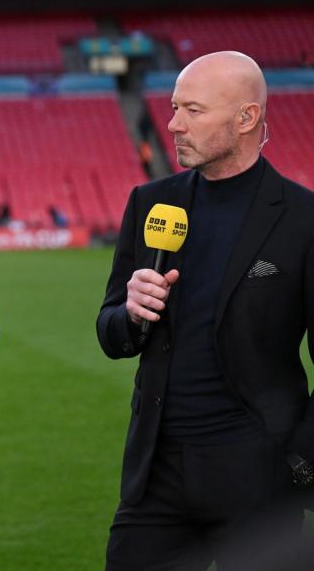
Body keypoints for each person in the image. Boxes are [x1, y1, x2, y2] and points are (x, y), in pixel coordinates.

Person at [97, 51, 314, 570]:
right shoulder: (151, 203)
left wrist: (299, 464)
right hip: (157, 479)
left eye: (193, 111)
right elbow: (110, 333)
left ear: (246, 118)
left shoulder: (303, 219)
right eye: (174, 107)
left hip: (259, 480)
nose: (173, 124)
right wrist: (131, 312)